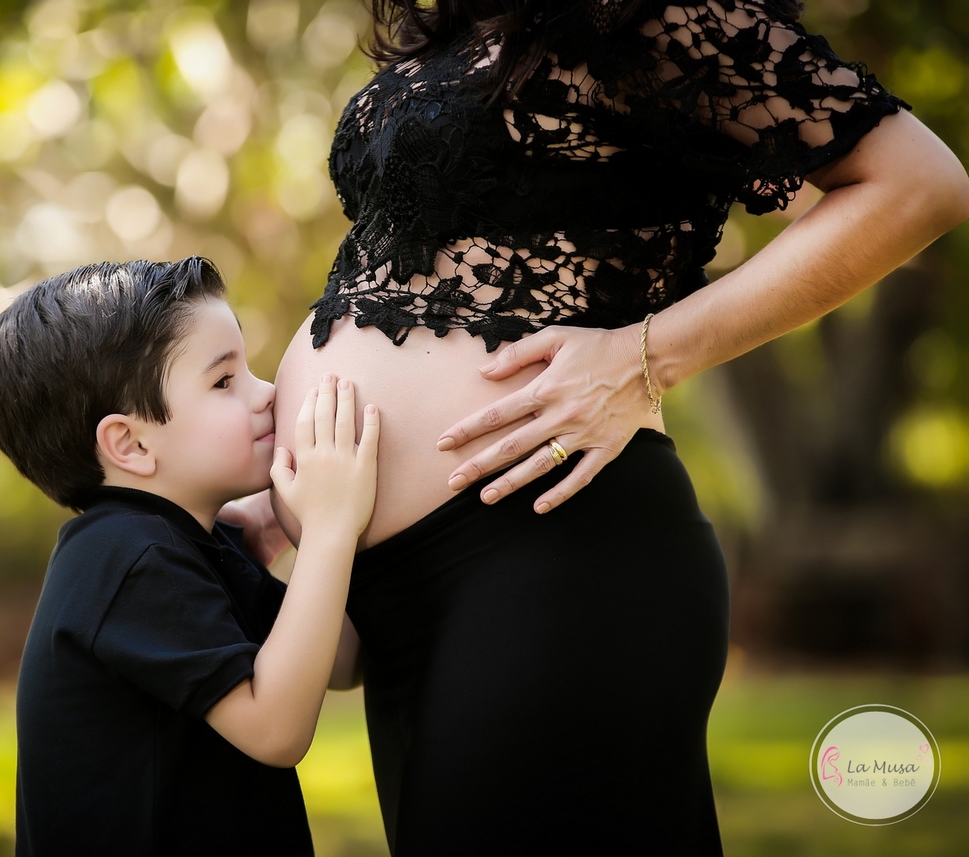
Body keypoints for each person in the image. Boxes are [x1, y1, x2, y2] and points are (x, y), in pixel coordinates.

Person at [260, 0, 969, 853]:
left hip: (551, 544)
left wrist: (648, 356)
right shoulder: (456, 31)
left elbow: (919, 184)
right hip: (404, 587)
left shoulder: (654, 14)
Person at [0, 258, 379, 856]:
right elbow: (276, 729)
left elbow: (343, 664)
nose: (266, 393)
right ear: (131, 444)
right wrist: (328, 530)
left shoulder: (184, 545)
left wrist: (303, 533)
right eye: (224, 382)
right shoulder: (132, 560)